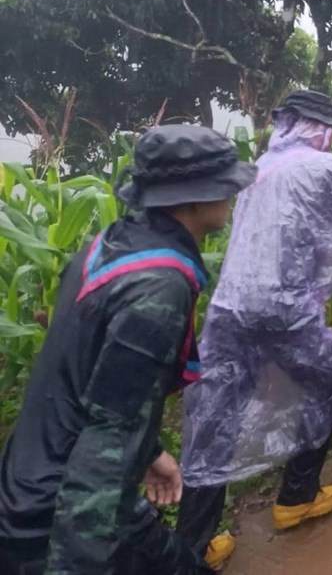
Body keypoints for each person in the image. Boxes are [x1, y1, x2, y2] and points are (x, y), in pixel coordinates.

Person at [0, 125, 256, 575]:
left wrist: (150, 451)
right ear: (191, 199)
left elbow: (99, 381)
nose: (232, 197)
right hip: (65, 519)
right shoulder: (160, 286)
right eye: (224, 187)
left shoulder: (105, 248)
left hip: (31, 485)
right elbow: (106, 442)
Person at [176, 91, 332, 569]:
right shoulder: (324, 169)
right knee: (326, 378)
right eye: (330, 130)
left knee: (215, 417)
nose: (331, 138)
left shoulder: (259, 167)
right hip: (284, 310)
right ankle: (297, 496)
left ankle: (194, 546)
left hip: (231, 307)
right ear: (317, 128)